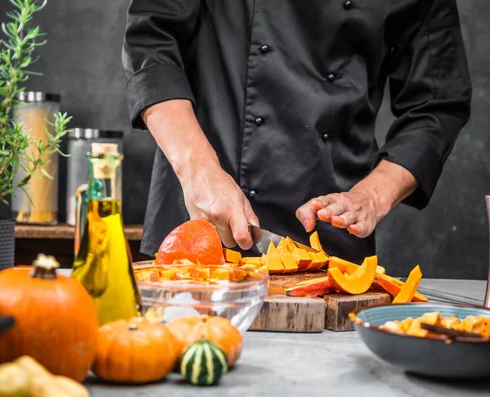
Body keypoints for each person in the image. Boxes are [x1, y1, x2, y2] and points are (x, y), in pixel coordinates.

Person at [122, 0, 472, 263]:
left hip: (332, 236)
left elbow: (436, 103)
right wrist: (199, 172)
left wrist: (372, 196)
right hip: (199, 227)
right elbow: (151, 40)